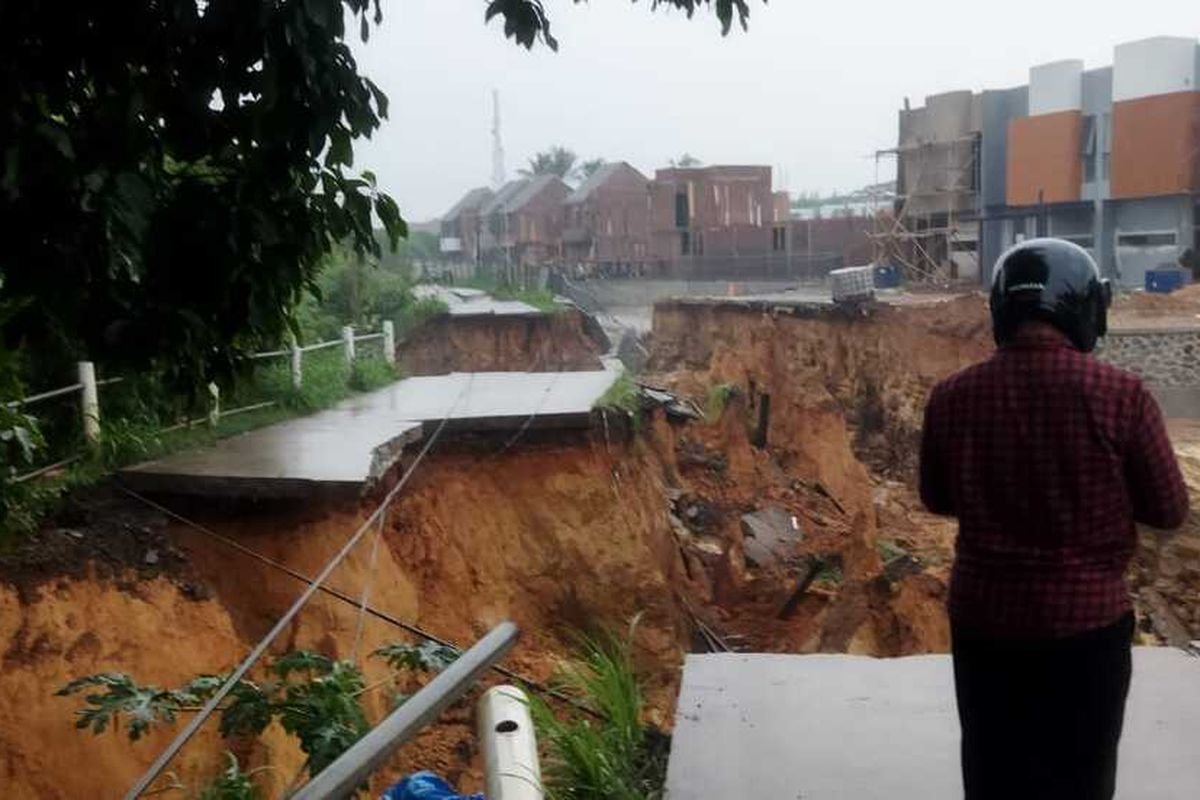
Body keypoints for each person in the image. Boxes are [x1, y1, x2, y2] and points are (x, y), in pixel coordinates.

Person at [919, 238, 1189, 800]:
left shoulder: (951, 396)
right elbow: (1168, 509)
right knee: (1082, 779)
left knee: (994, 776)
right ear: (1083, 307)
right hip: (1087, 628)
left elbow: (936, 499)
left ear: (1002, 309)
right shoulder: (1122, 395)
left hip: (985, 623)